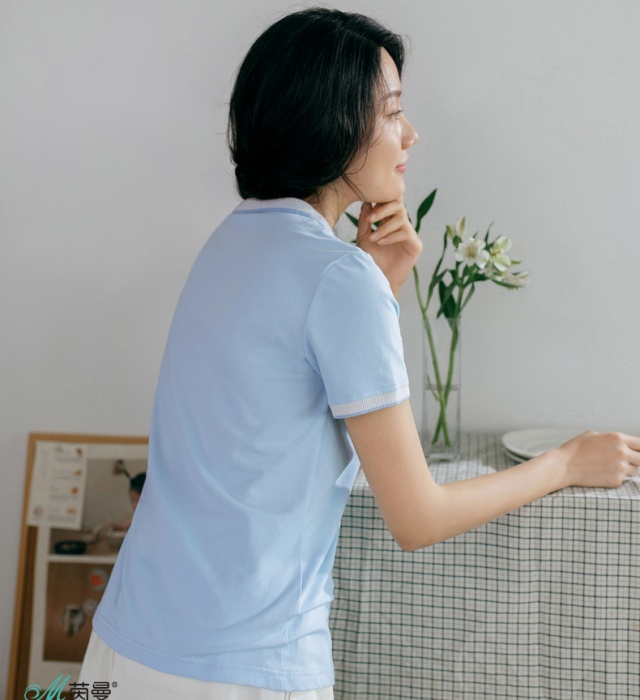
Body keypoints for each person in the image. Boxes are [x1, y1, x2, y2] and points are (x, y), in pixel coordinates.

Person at [79, 7, 640, 699]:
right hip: (241, 669)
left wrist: (379, 283)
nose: (410, 133)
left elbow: (280, 407)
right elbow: (418, 516)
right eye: (392, 111)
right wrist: (566, 463)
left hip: (122, 646)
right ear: (332, 123)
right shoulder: (337, 278)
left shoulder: (231, 241)